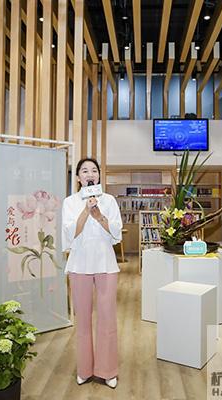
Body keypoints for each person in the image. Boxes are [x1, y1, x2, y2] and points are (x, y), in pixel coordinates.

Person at [61, 158, 122, 389]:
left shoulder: (109, 200)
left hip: (106, 263)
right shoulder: (70, 202)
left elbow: (116, 233)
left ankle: (107, 370)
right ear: (78, 178)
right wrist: (86, 211)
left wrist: (99, 215)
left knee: (107, 317)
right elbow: (70, 234)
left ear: (98, 176)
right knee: (83, 320)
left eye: (94, 170)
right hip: (79, 264)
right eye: (85, 171)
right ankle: (84, 369)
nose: (90, 174)